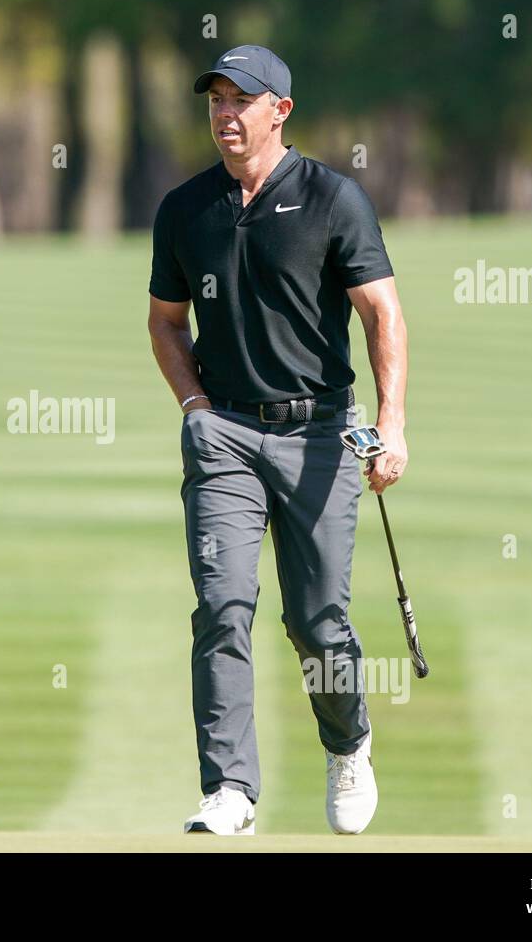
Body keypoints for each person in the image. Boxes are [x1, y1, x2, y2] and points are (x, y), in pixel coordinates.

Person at [147, 46, 410, 835]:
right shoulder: (186, 208)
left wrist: (390, 423)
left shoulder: (334, 198)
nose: (226, 114)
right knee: (223, 606)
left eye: (242, 100)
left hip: (321, 435)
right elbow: (166, 322)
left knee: (317, 620)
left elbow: (382, 314)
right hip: (223, 432)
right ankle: (230, 789)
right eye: (216, 100)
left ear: (279, 110)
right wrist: (193, 404)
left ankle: (347, 742)